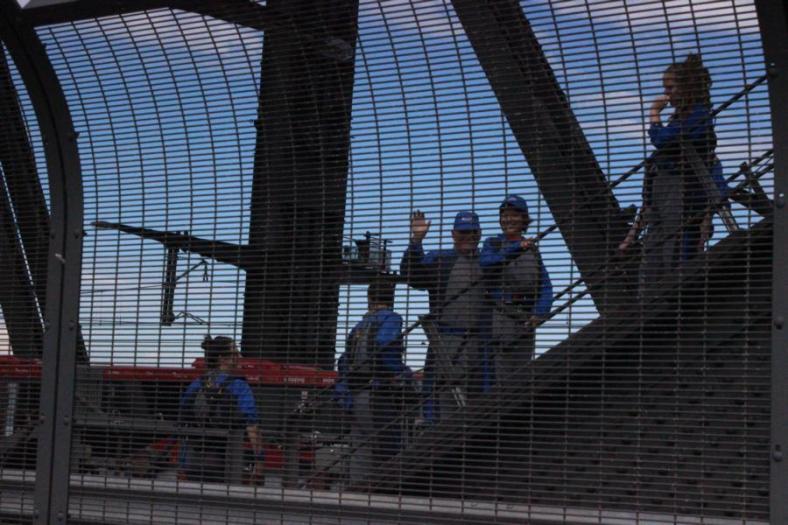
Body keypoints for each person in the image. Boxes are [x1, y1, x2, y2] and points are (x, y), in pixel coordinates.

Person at [619, 54, 726, 295]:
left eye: (670, 87)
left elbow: (664, 140)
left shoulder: (699, 114)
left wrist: (654, 114)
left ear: (687, 87)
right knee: (654, 250)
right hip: (664, 193)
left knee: (675, 249)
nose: (667, 93)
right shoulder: (682, 116)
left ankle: (674, 299)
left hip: (683, 192)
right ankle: (648, 299)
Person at [399, 210, 484, 422]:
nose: (468, 237)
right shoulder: (440, 259)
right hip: (446, 343)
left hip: (482, 344)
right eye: (462, 233)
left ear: (479, 234)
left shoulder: (490, 261)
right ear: (453, 234)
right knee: (441, 401)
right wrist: (416, 241)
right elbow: (411, 276)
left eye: (472, 233)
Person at [337, 278, 411, 484]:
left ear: (369, 298)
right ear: (392, 298)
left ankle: (356, 497)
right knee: (391, 451)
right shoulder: (391, 319)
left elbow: (343, 361)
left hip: (355, 395)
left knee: (361, 450)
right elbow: (384, 345)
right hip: (376, 395)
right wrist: (398, 373)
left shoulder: (358, 327)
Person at [480, 194, 553, 389]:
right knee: (500, 373)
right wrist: (515, 249)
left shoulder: (533, 250)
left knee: (521, 372)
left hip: (526, 318)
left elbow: (545, 286)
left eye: (514, 215)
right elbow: (486, 263)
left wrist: (540, 313)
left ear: (524, 220)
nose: (508, 219)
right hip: (501, 316)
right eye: (504, 215)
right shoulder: (493, 243)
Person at [178, 335, 263, 483]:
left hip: (193, 462)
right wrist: (260, 462)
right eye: (235, 353)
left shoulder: (195, 385)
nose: (239, 356)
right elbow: (252, 426)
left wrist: (182, 464)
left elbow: (184, 424)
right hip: (225, 463)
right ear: (222, 359)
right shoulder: (239, 386)